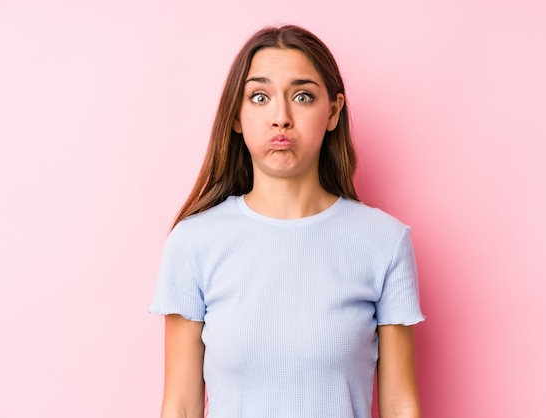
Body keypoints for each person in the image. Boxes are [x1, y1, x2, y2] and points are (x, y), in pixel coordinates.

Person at [150, 24, 425, 418]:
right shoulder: (193, 243)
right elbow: (179, 406)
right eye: (259, 97)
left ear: (332, 111)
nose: (281, 117)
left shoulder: (384, 241)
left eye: (302, 96)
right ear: (236, 117)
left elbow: (400, 404)